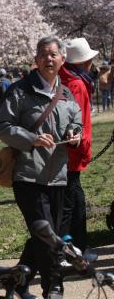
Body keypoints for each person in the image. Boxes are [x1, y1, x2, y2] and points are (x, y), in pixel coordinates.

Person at [0, 36, 83, 299]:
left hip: (58, 176)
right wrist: (32, 139)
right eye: (43, 55)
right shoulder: (21, 90)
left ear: (62, 59)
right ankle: (54, 288)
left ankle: (17, 279)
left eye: (54, 54)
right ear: (36, 60)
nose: (49, 59)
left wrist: (74, 132)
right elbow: (2, 126)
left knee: (48, 234)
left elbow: (76, 119)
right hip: (28, 175)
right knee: (47, 234)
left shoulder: (65, 93)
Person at [59, 37, 98, 253]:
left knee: (68, 201)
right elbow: (80, 121)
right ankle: (76, 247)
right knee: (74, 203)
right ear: (84, 62)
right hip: (73, 151)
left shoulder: (63, 79)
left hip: (63, 151)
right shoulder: (77, 84)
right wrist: (84, 149)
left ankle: (71, 245)